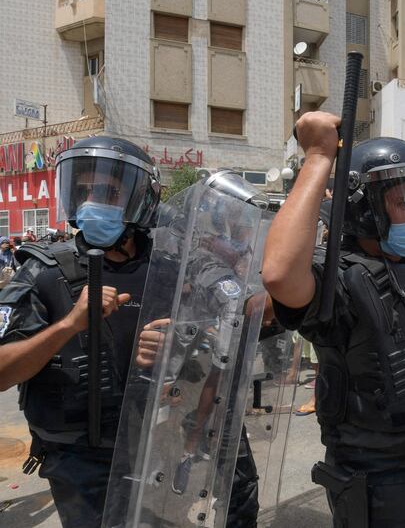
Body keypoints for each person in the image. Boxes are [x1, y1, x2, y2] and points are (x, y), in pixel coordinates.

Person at [0, 136, 258, 527]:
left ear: (141, 198)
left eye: (107, 190)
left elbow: (234, 327)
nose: (91, 201)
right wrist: (70, 325)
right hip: (84, 459)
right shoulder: (43, 271)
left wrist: (181, 345)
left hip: (157, 445)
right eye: (82, 189)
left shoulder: (173, 266)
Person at [262, 111, 405, 527]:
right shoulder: (340, 279)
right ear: (365, 209)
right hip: (377, 479)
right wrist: (317, 157)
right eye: (403, 201)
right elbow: (279, 274)